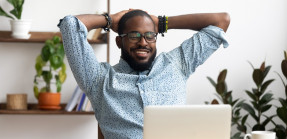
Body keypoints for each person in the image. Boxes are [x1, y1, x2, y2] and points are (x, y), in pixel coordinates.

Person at [58, 9, 230, 139]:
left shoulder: (177, 64)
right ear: (119, 41)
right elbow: (70, 25)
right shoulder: (98, 79)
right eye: (134, 35)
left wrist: (162, 23)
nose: (143, 43)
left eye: (150, 35)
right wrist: (110, 21)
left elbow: (221, 20)